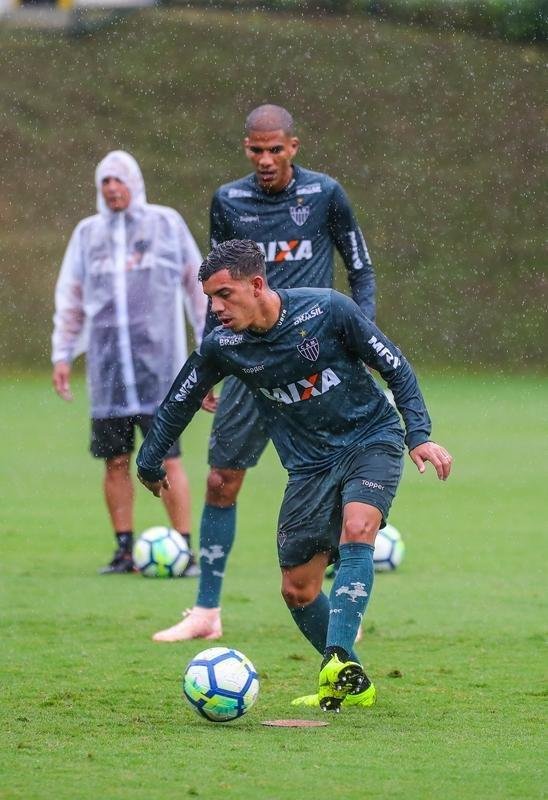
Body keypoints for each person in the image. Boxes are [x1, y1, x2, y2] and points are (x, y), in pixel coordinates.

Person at [137, 239, 453, 712]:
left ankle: (339, 657)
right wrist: (150, 457)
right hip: (308, 467)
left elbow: (397, 368)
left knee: (358, 529)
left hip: (371, 438)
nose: (216, 308)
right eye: (209, 299)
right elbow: (182, 398)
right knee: (298, 588)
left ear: (257, 284)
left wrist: (419, 435)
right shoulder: (224, 346)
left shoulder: (328, 310)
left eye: (224, 294)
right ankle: (354, 682)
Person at [153, 103, 377, 641]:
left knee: (337, 473)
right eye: (256, 150)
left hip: (314, 360)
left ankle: (338, 606)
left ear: (293, 147)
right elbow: (217, 285)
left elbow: (361, 269)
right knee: (220, 479)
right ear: (246, 149)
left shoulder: (325, 195)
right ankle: (206, 612)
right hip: (250, 363)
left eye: (276, 149)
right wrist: (212, 360)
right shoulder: (228, 200)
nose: (266, 159)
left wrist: (360, 337)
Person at [51, 150, 207, 574]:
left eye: (119, 180)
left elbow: (198, 287)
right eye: (105, 182)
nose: (113, 189)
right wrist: (62, 353)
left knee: (167, 457)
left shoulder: (165, 225)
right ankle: (124, 549)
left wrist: (209, 348)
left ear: (134, 183)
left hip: (159, 371)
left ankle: (184, 547)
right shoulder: (88, 235)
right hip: (109, 374)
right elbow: (71, 298)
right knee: (115, 460)